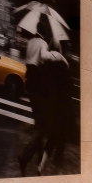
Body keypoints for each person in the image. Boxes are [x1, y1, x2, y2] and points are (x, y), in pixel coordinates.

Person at [18, 25, 70, 175]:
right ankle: (26, 156)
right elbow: (45, 57)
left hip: (29, 81)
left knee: (39, 122)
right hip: (38, 84)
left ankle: (37, 156)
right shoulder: (42, 43)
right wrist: (59, 56)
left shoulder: (30, 42)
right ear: (44, 33)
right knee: (43, 126)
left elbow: (30, 60)